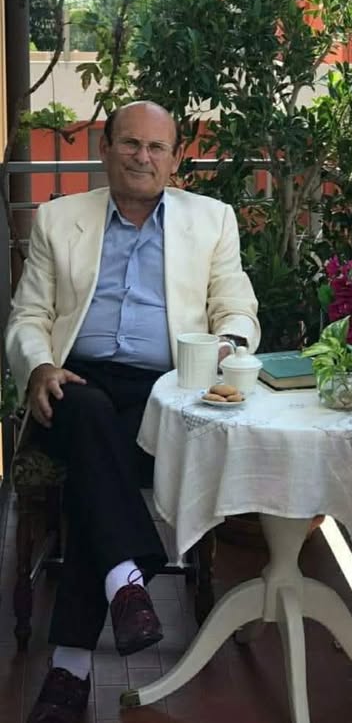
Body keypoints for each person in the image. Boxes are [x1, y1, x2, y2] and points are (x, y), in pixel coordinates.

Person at [6, 100, 260, 723]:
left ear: (175, 159)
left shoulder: (212, 220)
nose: (142, 157)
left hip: (165, 388)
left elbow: (237, 308)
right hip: (73, 383)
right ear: (106, 149)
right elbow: (29, 316)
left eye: (156, 147)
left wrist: (226, 346)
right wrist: (39, 366)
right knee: (88, 413)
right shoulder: (60, 219)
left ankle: (74, 662)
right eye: (129, 144)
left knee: (97, 465)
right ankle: (126, 579)